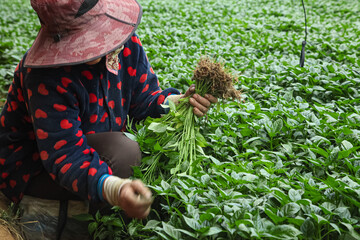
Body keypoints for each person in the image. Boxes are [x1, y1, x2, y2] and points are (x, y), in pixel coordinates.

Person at [0, 0, 217, 221]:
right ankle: (98, 226)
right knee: (124, 154)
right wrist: (115, 189)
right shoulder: (46, 76)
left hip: (93, 142)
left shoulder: (123, 42)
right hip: (36, 168)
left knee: (137, 151)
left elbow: (143, 100)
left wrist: (176, 103)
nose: (110, 45)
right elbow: (64, 155)